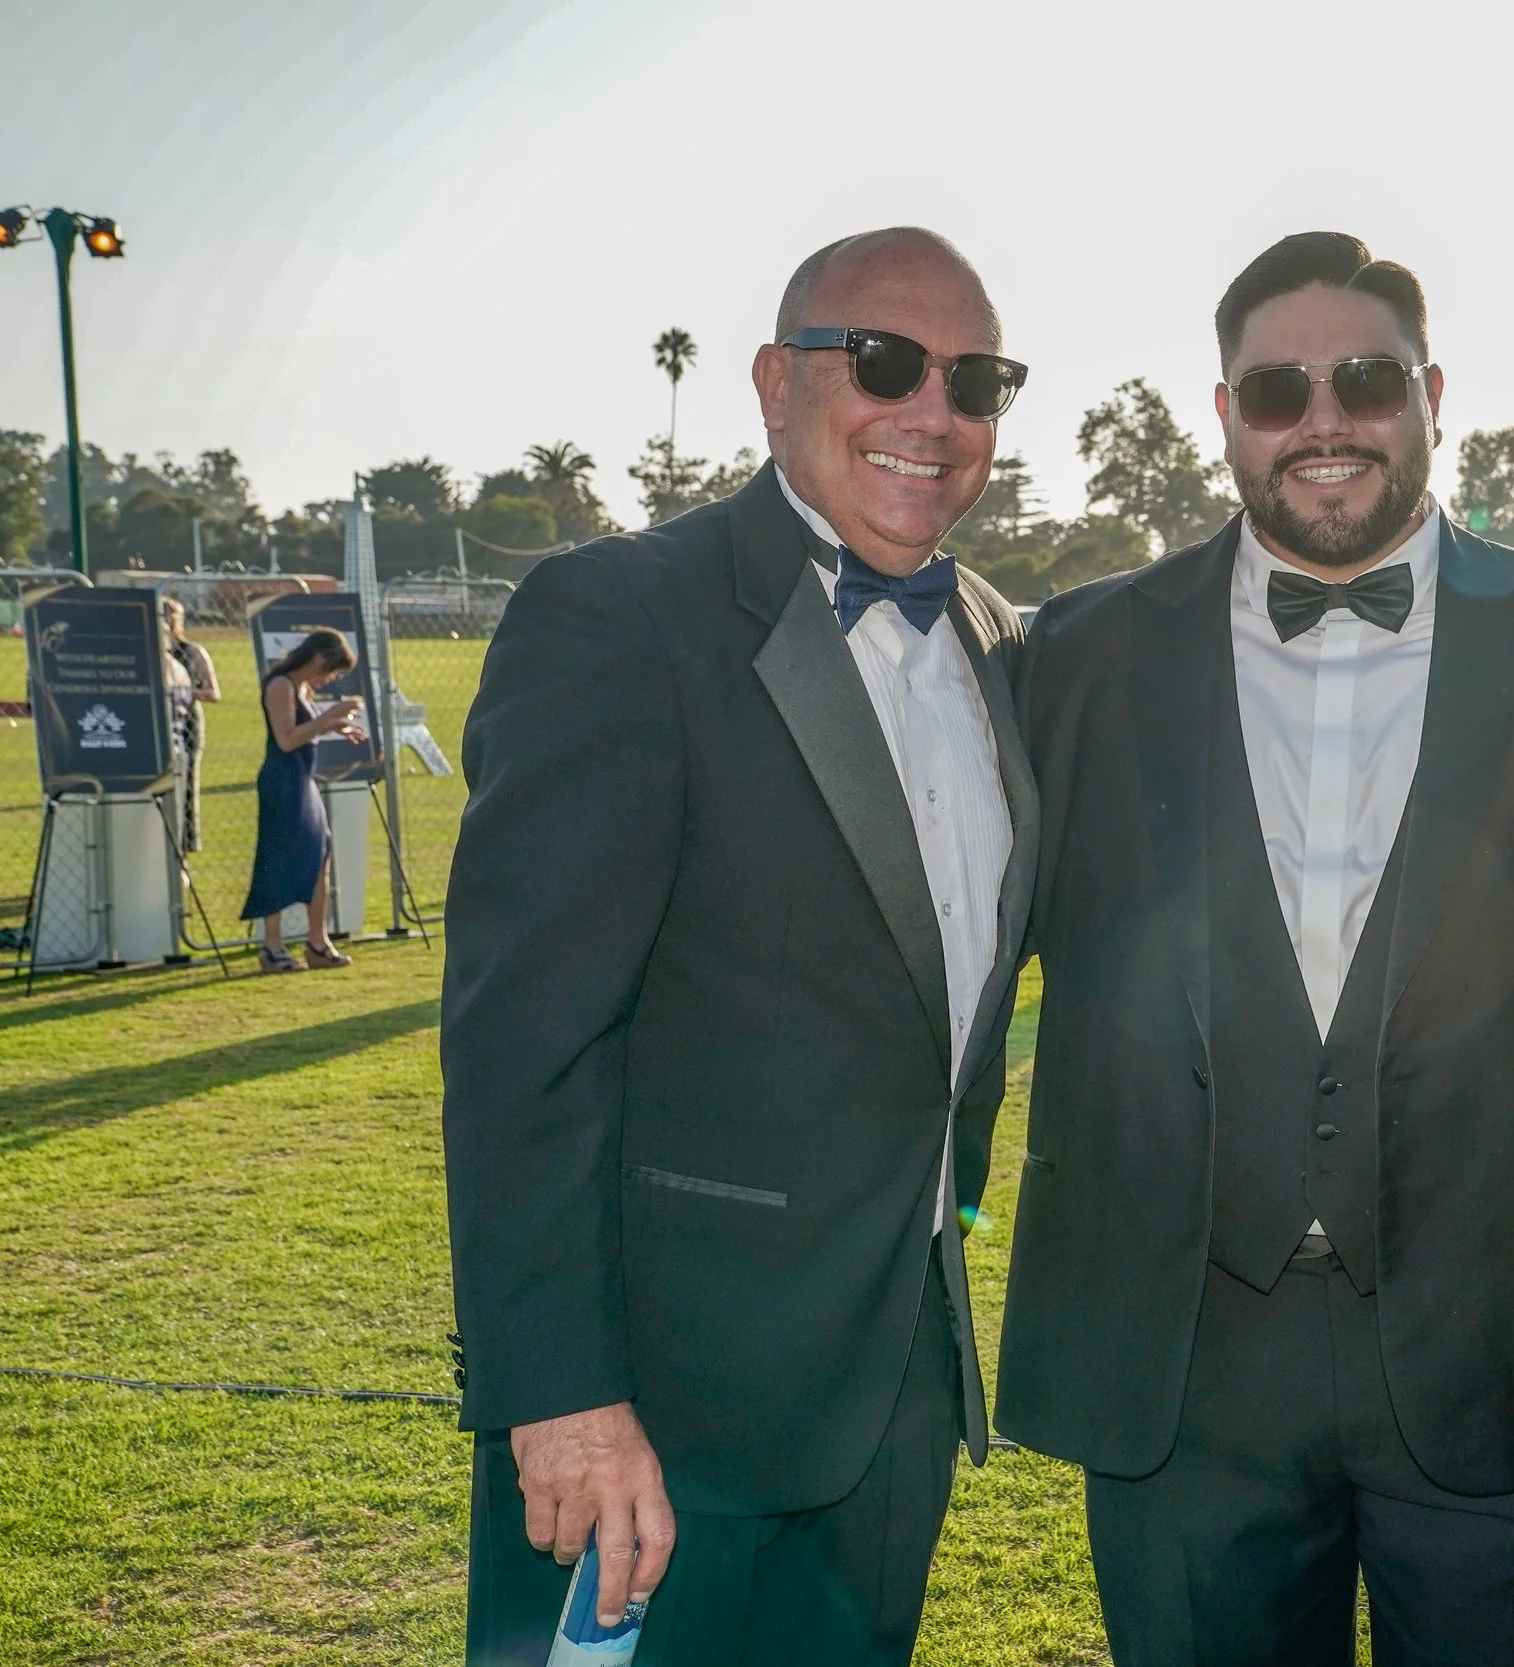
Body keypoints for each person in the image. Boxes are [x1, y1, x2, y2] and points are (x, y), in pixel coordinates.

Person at [1001, 231, 1514, 1667]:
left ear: (1432, 391)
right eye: (1274, 390)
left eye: (1364, 379)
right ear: (1225, 415)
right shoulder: (1078, 653)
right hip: (1182, 1365)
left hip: (1499, 1338)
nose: (1321, 419)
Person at [443, 227, 1036, 1664]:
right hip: (660, 1424)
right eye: (885, 362)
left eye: (978, 379)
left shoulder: (996, 634)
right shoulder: (621, 615)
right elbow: (528, 1040)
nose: (933, 412)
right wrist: (568, 1398)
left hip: (892, 1404)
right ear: (777, 383)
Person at [239, 627, 364, 972]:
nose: (330, 679)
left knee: (319, 855)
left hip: (302, 781)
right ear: (318, 659)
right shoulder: (281, 685)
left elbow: (305, 731)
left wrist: (335, 724)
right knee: (277, 858)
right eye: (332, 671)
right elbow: (286, 740)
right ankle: (272, 946)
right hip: (282, 781)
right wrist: (329, 716)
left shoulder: (302, 688)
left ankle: (317, 942)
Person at [162, 596, 221, 853]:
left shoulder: (192, 651)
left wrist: (179, 691)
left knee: (186, 784)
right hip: (159, 721)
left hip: (186, 722)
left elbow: (213, 692)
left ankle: (185, 846)